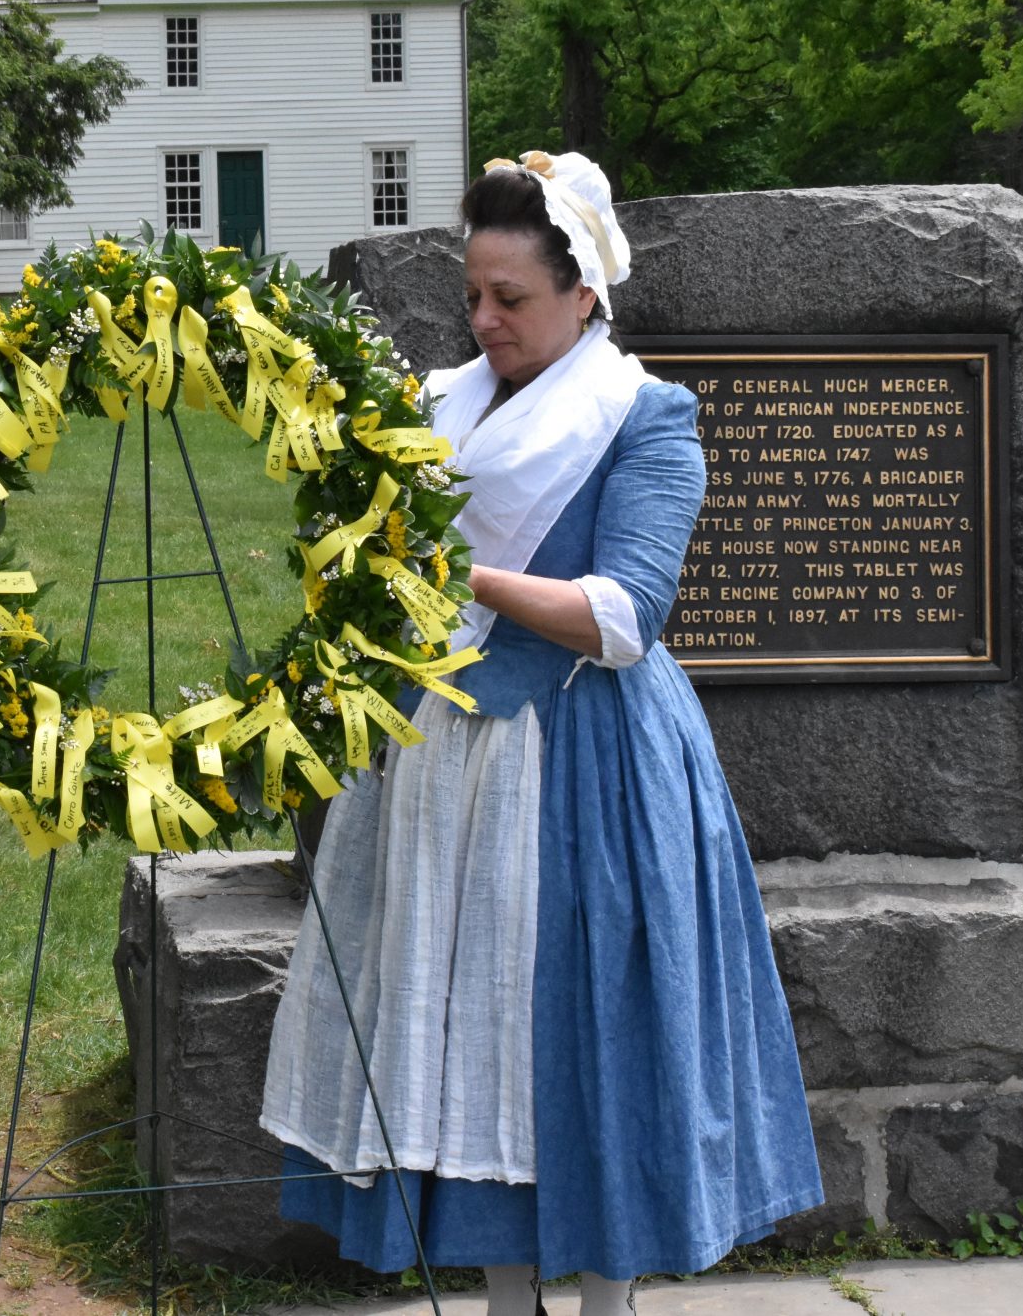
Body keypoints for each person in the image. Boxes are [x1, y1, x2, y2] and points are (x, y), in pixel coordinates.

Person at [259, 152, 823, 1316]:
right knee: (459, 1032)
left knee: (587, 1030)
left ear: (582, 294)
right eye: (472, 294)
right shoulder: (438, 410)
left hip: (583, 761)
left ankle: (606, 1305)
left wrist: (454, 570)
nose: (482, 319)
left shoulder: (641, 417)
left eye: (508, 298)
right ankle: (505, 1299)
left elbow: (623, 616)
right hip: (445, 756)